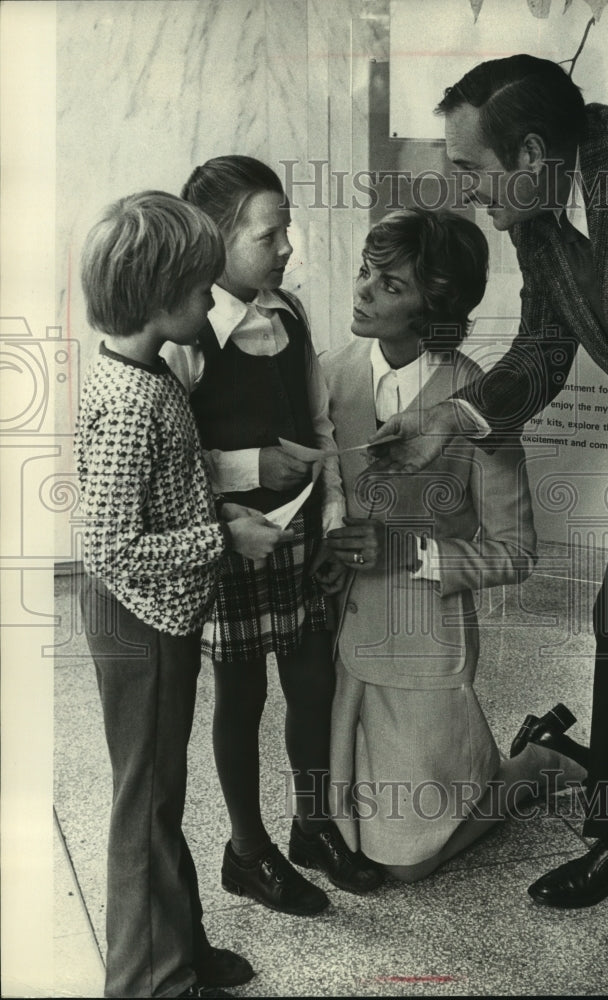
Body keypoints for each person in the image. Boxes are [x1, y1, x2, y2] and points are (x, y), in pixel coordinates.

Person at [368, 54, 608, 937]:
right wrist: (452, 418)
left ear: (535, 150)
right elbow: (547, 348)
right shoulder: (535, 211)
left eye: (471, 169)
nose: (463, 190)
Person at [321, 208, 588, 882]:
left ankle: (537, 765)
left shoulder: (478, 407)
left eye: (388, 286)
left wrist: (417, 557)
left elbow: (516, 550)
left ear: (433, 308)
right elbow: (322, 488)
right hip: (341, 641)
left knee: (407, 863)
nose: (361, 290)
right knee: (347, 843)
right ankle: (493, 764)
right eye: (364, 272)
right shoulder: (330, 374)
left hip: (426, 642)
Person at [76, 191, 292, 997]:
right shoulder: (132, 402)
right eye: (202, 287)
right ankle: (148, 982)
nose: (210, 298)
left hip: (155, 613)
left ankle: (183, 947)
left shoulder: (144, 370)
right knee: (145, 810)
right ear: (160, 294)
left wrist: (217, 505)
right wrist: (225, 537)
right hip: (142, 621)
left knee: (160, 798)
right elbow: (107, 547)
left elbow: (156, 494)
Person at [163, 156, 382, 916]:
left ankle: (313, 825)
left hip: (299, 538)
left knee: (312, 679)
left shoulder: (286, 310)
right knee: (243, 692)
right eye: (270, 232)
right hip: (235, 541)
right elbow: (175, 461)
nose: (287, 244)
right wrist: (246, 465)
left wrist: (332, 517)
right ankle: (246, 850)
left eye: (287, 226)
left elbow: (318, 423)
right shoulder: (188, 335)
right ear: (214, 242)